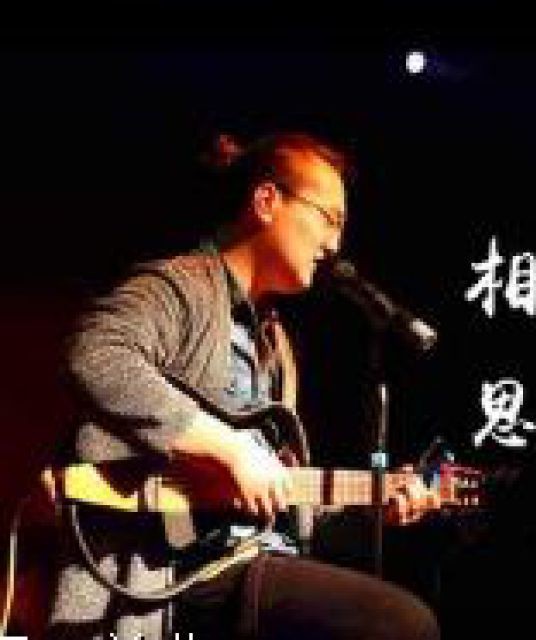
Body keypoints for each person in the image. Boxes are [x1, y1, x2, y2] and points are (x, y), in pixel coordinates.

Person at [45, 132, 441, 640]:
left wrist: (374, 504)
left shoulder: (277, 343)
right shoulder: (181, 286)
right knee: (401, 624)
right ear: (267, 201)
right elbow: (95, 353)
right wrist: (228, 446)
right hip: (178, 575)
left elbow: (281, 500)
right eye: (329, 218)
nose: (335, 244)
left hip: (255, 562)